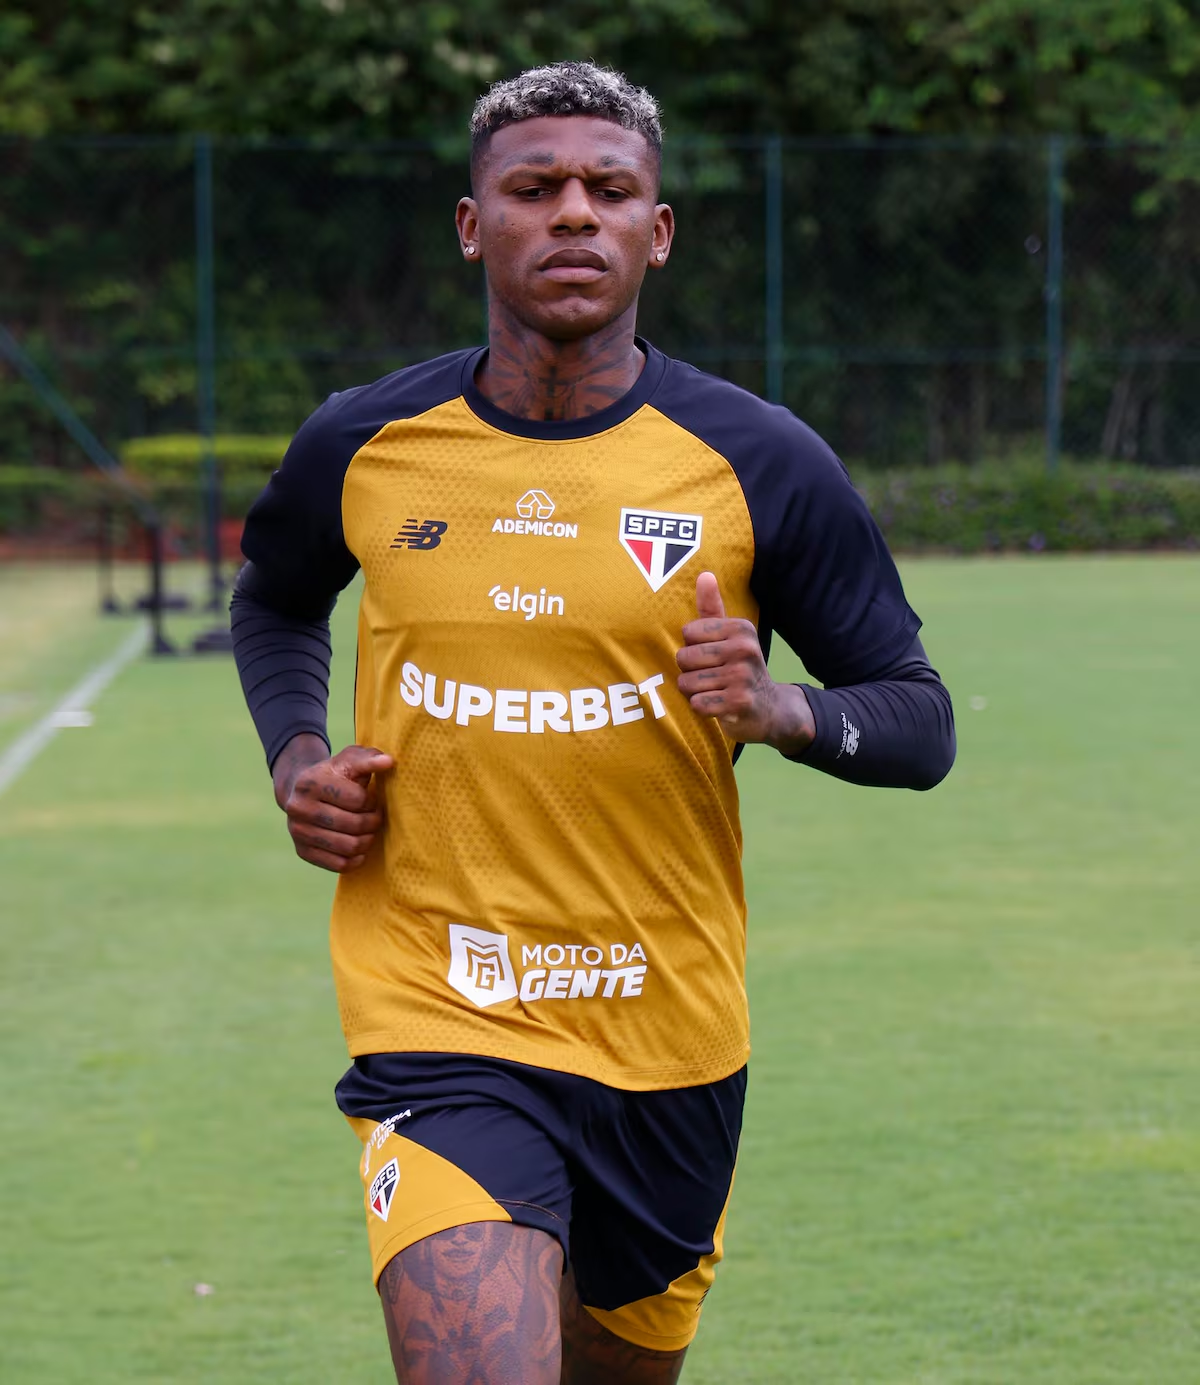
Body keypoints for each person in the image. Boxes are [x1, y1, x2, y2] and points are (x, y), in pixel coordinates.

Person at [231, 60, 955, 1385]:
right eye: (535, 187)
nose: (574, 213)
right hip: (442, 1014)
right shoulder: (369, 441)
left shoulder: (757, 461)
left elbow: (919, 723)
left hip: (667, 1037)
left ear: (656, 231)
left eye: (609, 189)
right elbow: (274, 602)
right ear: (472, 224)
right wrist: (297, 757)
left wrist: (777, 706)